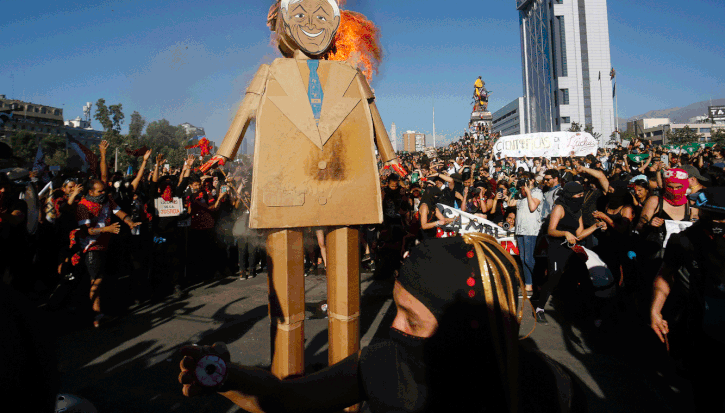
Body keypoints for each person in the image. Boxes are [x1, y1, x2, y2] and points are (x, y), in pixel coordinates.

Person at [177, 234, 587, 412]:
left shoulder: (551, 389)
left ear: (466, 330)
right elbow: (289, 399)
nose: (394, 328)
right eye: (395, 308)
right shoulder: (384, 364)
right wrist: (229, 378)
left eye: (413, 319)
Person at [650, 187, 725, 412]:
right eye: (709, 216)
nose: (716, 223)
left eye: (724, 218)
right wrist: (656, 310)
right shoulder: (684, 240)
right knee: (708, 395)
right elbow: (666, 274)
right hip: (703, 330)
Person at [534, 182, 607, 325]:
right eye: (578, 195)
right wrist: (565, 233)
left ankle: (584, 312)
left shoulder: (577, 209)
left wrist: (595, 226)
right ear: (569, 195)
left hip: (572, 248)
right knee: (554, 277)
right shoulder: (559, 208)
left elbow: (579, 234)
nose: (580, 197)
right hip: (557, 247)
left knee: (583, 276)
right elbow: (551, 230)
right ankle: (539, 308)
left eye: (582, 195)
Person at [75, 179, 141, 327]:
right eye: (100, 191)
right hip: (91, 247)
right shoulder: (82, 207)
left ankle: (108, 310)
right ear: (90, 192)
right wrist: (106, 229)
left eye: (104, 190)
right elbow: (87, 231)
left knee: (109, 278)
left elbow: (119, 212)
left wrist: (129, 222)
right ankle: (96, 316)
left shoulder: (107, 200)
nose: (103, 193)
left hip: (107, 245)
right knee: (96, 281)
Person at [514, 173, 543, 296]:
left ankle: (540, 283)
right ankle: (528, 284)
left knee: (529, 259)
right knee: (522, 258)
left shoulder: (537, 192)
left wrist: (528, 191)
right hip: (520, 229)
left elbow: (532, 207)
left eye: (524, 181)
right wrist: (515, 189)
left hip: (531, 230)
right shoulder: (520, 196)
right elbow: (510, 203)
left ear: (531, 181)